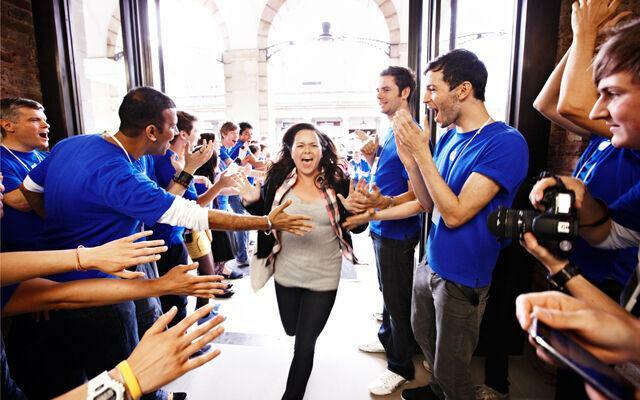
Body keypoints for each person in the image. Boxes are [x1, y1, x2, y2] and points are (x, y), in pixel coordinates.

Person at [16, 86, 311, 399]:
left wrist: (58, 223)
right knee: (123, 373)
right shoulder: (120, 174)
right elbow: (194, 215)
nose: (177, 134)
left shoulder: (72, 144)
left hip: (67, 280)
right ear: (152, 130)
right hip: (103, 290)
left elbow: (30, 187)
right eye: (172, 128)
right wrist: (266, 222)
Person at [383, 49, 529, 400]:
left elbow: (456, 213)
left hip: (464, 278)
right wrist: (410, 161)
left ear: (463, 90)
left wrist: (421, 153)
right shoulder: (450, 137)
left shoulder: (506, 142)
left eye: (433, 89)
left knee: (451, 366)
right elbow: (429, 202)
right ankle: (437, 391)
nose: (428, 100)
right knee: (427, 342)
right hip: (431, 263)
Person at [236, 123, 366, 400]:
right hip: (286, 270)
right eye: (300, 145)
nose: (307, 150)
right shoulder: (277, 180)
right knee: (291, 328)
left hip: (325, 272)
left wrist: (359, 214)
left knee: (305, 345)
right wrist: (251, 203)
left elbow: (354, 226)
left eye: (313, 145)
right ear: (291, 152)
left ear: (322, 150)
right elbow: (266, 217)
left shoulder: (338, 181)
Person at [347, 66, 421, 396]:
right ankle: (387, 340)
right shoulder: (391, 129)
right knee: (387, 296)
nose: (380, 95)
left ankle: (400, 366)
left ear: (405, 93)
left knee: (397, 299)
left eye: (386, 89)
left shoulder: (410, 132)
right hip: (381, 226)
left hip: (397, 231)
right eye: (378, 90)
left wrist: (386, 203)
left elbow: (418, 191)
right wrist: (374, 154)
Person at [0, 97, 49, 252]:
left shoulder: (47, 157)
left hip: (56, 244)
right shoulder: (2, 158)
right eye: (35, 120)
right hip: (24, 252)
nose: (46, 125)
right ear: (8, 125)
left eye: (45, 120)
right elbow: (21, 202)